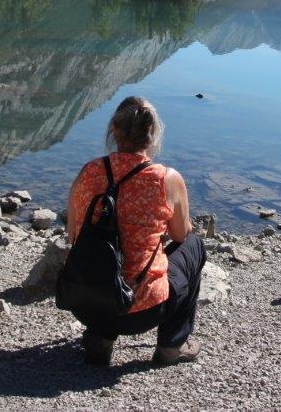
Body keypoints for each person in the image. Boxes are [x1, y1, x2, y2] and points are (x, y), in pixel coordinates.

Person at [65, 96, 206, 366]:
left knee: (98, 253)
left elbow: (73, 233)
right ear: (152, 135)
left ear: (114, 130)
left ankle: (99, 338)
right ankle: (172, 345)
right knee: (194, 245)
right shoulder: (167, 179)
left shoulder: (89, 171)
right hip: (143, 311)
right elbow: (181, 235)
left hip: (86, 302)